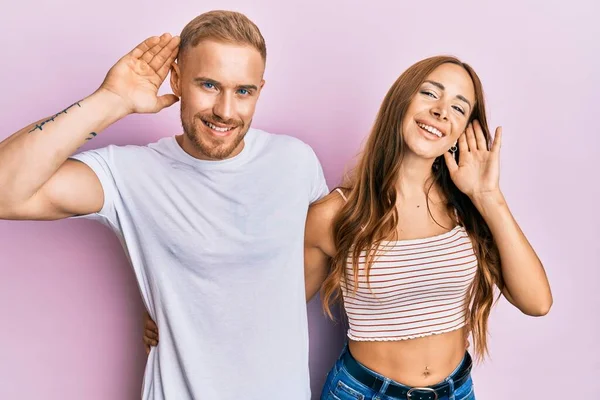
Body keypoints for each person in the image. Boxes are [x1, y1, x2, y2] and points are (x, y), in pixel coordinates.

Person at [0, 10, 328, 400]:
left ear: (260, 89)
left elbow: (313, 253)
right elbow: (7, 190)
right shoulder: (131, 173)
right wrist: (112, 101)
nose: (225, 110)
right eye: (208, 84)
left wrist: (205, 315)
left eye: (244, 91)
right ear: (176, 79)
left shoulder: (295, 161)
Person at [303, 56, 553, 400]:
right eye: (429, 93)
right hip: (363, 393)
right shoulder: (336, 214)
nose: (441, 111)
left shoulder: (469, 208)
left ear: (465, 132)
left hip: (457, 391)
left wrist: (488, 196)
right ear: (401, 101)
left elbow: (537, 302)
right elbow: (276, 310)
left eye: (459, 107)